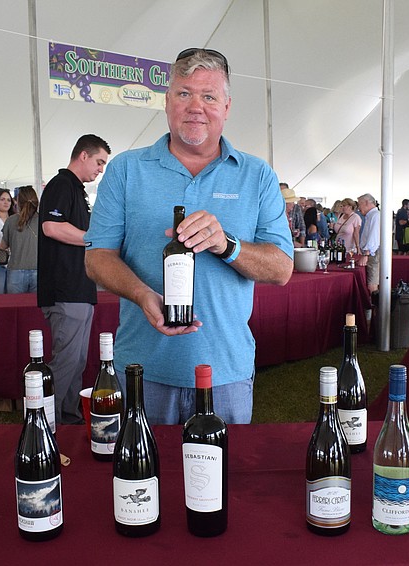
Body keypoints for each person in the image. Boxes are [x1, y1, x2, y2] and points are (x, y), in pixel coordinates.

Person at [84, 47, 293, 426]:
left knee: (219, 481)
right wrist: (142, 294)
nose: (196, 106)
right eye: (184, 93)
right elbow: (97, 258)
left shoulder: (257, 175)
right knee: (143, 480)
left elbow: (281, 268)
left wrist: (227, 245)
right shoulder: (126, 170)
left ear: (226, 107)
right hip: (143, 369)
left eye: (209, 96)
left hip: (225, 371)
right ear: (167, 102)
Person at [39, 134, 110, 425]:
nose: (101, 169)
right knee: (66, 362)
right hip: (65, 290)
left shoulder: (77, 190)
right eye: (99, 162)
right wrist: (95, 240)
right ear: (83, 155)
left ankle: (68, 416)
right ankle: (46, 422)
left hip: (80, 289)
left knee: (78, 361)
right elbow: (51, 227)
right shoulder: (61, 184)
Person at [0, 185, 39, 294]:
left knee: (15, 308)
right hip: (39, 270)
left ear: (17, 201)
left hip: (15, 270)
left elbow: (3, 246)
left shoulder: (10, 221)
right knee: (36, 308)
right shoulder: (43, 221)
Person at [356, 193, 380, 292]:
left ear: (366, 202)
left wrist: (366, 254)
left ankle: (373, 306)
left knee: (372, 283)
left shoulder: (375, 216)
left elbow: (374, 237)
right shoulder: (372, 216)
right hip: (371, 252)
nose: (358, 208)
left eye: (359, 204)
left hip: (373, 253)